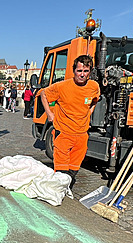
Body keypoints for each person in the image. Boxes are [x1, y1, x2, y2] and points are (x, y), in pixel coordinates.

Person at [40, 55, 100, 190]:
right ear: (74, 71)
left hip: (81, 134)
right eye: (79, 71)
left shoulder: (93, 86)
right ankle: (58, 194)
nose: (82, 74)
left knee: (74, 168)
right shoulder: (62, 86)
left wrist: (88, 113)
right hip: (64, 132)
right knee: (61, 169)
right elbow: (44, 94)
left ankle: (68, 190)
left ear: (90, 72)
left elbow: (95, 100)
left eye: (86, 71)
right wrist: (50, 114)